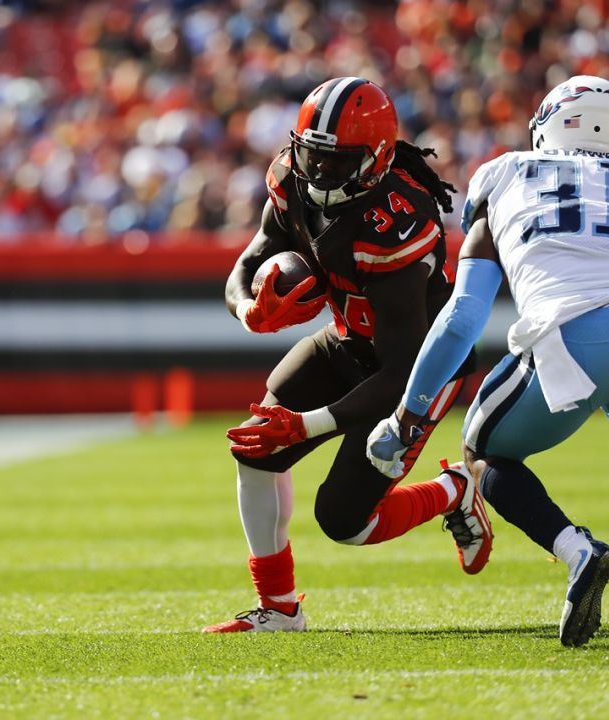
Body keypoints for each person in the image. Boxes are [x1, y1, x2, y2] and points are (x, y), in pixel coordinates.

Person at [366, 76, 609, 647]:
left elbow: (462, 318)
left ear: (545, 127)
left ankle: (578, 551)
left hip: (572, 334)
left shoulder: (504, 174)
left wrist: (407, 417)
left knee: (481, 453)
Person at [203, 77, 494, 633]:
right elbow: (249, 261)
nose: (319, 173)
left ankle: (455, 489)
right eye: (314, 156)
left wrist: (308, 425)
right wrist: (248, 310)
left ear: (378, 159)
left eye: (339, 163)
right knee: (255, 448)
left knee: (346, 522)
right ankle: (280, 608)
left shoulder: (395, 220)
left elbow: (403, 369)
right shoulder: (291, 178)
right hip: (346, 341)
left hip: (419, 372)